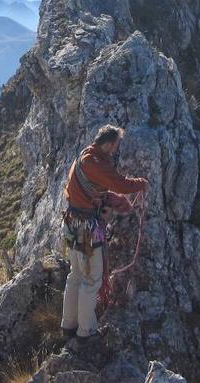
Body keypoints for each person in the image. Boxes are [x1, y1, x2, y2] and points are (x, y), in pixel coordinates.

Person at [60, 124, 148, 342]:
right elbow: (122, 184)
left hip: (71, 223)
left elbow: (94, 189)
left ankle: (68, 325)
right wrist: (141, 184)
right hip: (86, 229)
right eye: (115, 146)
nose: (116, 150)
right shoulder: (97, 164)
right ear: (107, 144)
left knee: (76, 276)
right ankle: (85, 332)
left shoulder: (86, 155)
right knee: (91, 280)